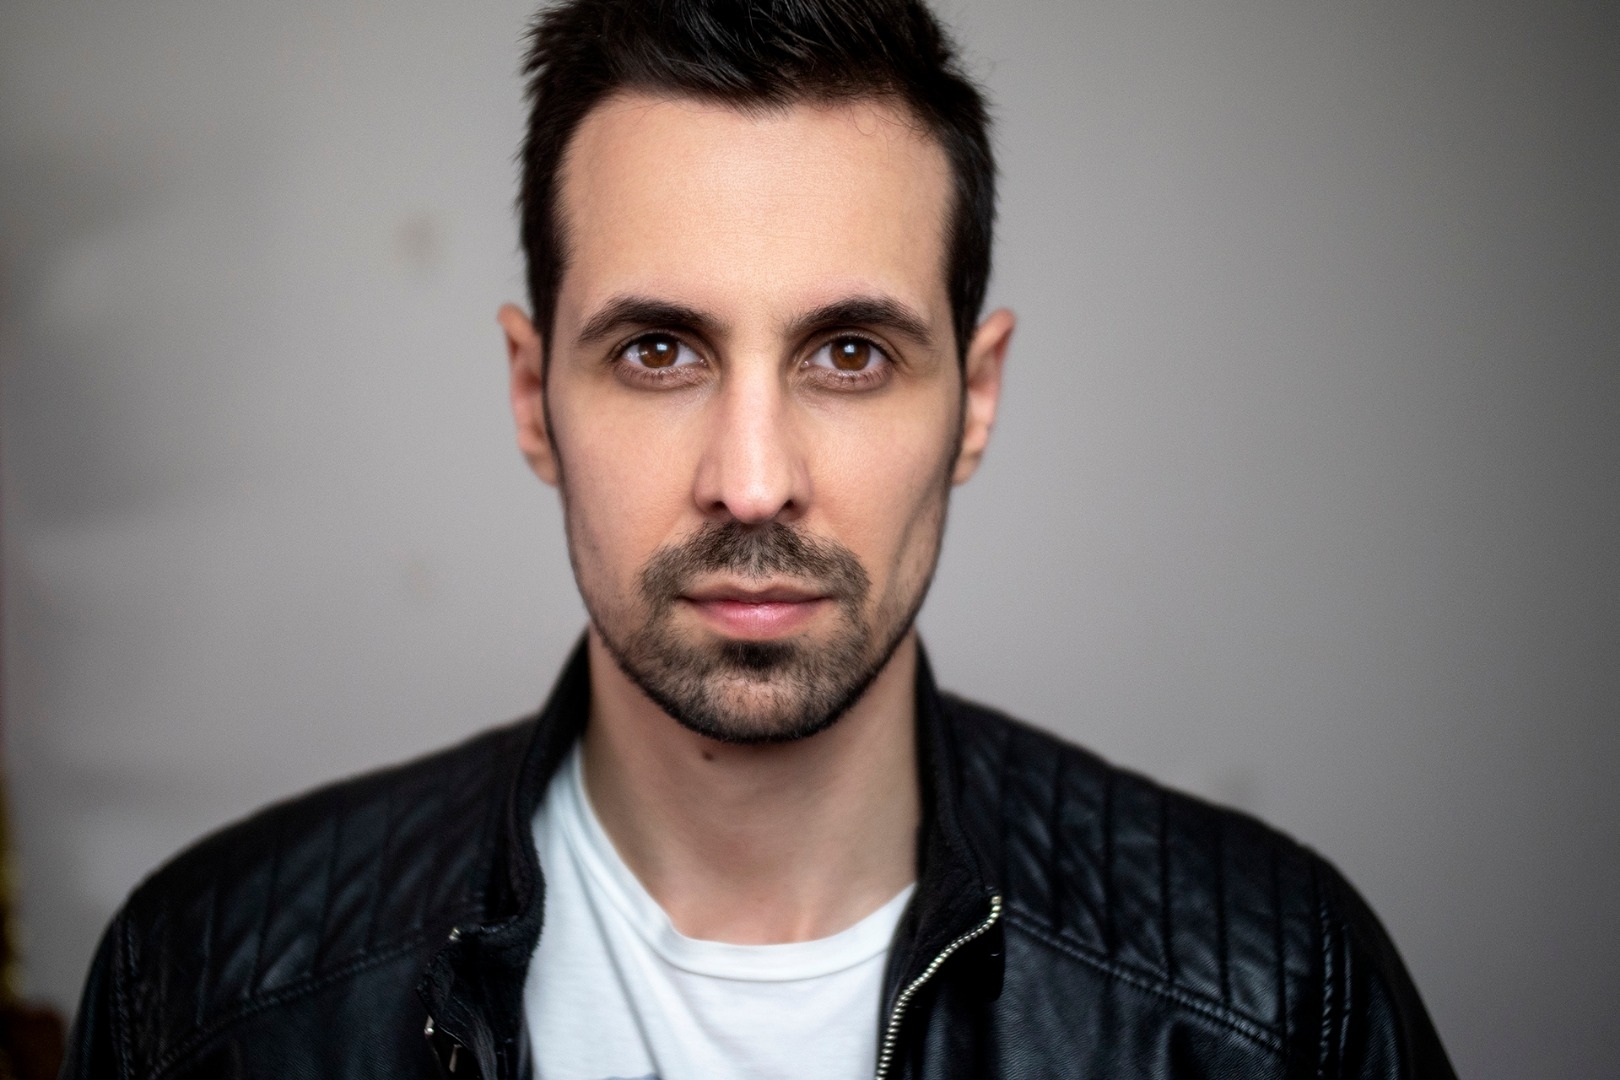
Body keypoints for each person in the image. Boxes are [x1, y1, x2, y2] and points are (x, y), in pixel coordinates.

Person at [63, 0, 1456, 1077]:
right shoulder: (206, 988)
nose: (750, 483)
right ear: (531, 397)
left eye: (849, 354)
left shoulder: (1277, 997)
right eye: (658, 351)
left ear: (975, 402)